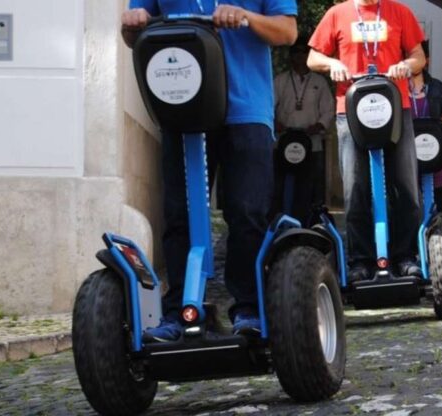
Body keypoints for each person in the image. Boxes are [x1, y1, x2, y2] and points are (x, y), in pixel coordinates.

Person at [121, 0, 297, 341]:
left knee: (247, 213)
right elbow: (133, 35)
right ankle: (179, 310)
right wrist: (133, 22)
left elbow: (287, 32)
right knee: (179, 216)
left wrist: (245, 16)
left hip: (245, 110)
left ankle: (247, 308)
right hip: (182, 107)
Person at [307, 0, 426, 282]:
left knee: (406, 184)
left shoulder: (399, 12)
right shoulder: (337, 14)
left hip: (396, 106)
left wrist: (405, 65)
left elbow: (419, 56)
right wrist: (332, 63)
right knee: (355, 186)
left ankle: (405, 256)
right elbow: (313, 58)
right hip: (350, 108)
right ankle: (360, 260)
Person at [273, 40, 335, 224]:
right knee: (279, 184)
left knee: (309, 185)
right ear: (290, 56)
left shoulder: (319, 82)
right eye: (295, 52)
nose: (299, 56)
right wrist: (276, 123)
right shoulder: (280, 80)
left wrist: (318, 126)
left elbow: (328, 110)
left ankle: (307, 222)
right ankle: (278, 220)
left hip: (311, 143)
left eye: (303, 52)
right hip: (283, 141)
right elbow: (269, 106)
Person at [410, 40, 442, 212]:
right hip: (408, 157)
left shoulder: (437, 87)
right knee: (408, 207)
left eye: (417, 57)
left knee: (436, 205)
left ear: (426, 60)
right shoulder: (397, 87)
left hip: (432, 153)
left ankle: (437, 236)